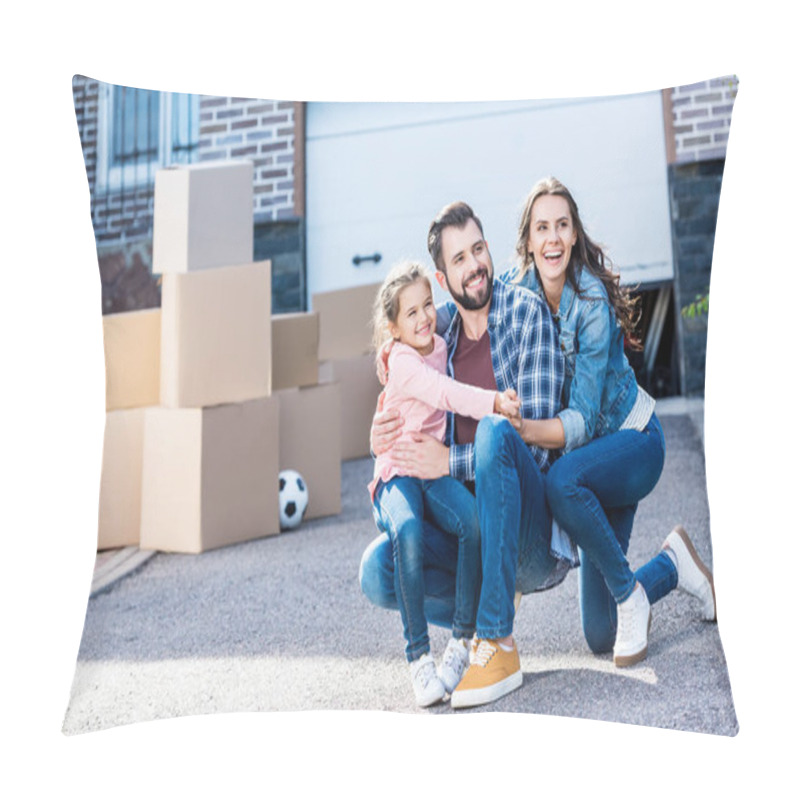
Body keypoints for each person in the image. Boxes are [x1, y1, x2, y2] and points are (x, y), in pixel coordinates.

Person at [360, 201, 567, 709]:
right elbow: (410, 381)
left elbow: (533, 448)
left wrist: (447, 462)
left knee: (497, 431)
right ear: (441, 276)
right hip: (470, 531)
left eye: (478, 249)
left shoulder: (525, 313)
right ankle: (465, 631)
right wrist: (380, 432)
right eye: (459, 259)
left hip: (527, 532)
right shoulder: (439, 329)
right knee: (377, 569)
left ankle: (495, 640)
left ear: (489, 250)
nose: (473, 265)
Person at [506, 176, 716, 667]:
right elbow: (473, 319)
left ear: (575, 234)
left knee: (560, 480)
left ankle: (630, 597)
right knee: (600, 634)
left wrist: (522, 434)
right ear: (529, 241)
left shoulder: (591, 302)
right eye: (542, 228)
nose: (553, 237)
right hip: (590, 473)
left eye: (562, 225)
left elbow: (580, 421)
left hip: (632, 445)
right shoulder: (517, 296)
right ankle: (673, 565)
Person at [368, 259, 520, 706]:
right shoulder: (400, 359)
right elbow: (444, 393)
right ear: (392, 327)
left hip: (431, 470)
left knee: (471, 523)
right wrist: (493, 401)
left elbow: (478, 297)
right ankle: (418, 658)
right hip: (398, 471)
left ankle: (460, 643)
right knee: (408, 531)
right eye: (410, 313)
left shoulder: (440, 338)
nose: (424, 318)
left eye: (428, 305)